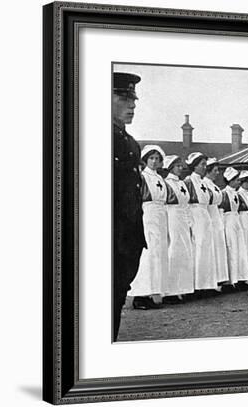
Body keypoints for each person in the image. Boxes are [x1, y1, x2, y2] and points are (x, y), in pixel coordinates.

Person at [112, 72, 146, 341]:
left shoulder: (131, 143)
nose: (132, 105)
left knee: (117, 294)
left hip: (128, 235)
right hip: (109, 235)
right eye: (123, 98)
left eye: (132, 99)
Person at [128, 145, 168, 310]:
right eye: (151, 158)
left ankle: (153, 292)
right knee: (147, 254)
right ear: (145, 160)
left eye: (157, 159)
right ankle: (140, 295)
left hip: (159, 215)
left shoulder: (159, 178)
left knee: (158, 254)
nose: (154, 161)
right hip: (147, 214)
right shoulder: (142, 177)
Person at [162, 155, 194, 303]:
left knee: (185, 251)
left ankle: (183, 288)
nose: (181, 168)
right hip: (172, 216)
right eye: (177, 166)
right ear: (170, 167)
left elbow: (186, 204)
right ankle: (170, 291)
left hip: (182, 218)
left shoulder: (181, 183)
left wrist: (189, 221)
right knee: (174, 250)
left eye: (181, 166)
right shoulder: (166, 183)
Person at [184, 152, 218, 291]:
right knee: (197, 249)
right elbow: (185, 203)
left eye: (205, 164)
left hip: (204, 216)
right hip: (195, 216)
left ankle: (205, 285)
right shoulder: (188, 181)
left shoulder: (203, 182)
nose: (205, 167)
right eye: (202, 164)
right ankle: (196, 286)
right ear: (194, 166)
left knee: (206, 249)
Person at [220, 167, 248, 286]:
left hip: (237, 220)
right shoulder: (224, 193)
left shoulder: (236, 194)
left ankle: (240, 278)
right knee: (232, 248)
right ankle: (231, 280)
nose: (239, 182)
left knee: (240, 249)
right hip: (228, 221)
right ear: (230, 180)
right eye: (237, 180)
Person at [202, 158, 229, 288]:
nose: (217, 173)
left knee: (219, 247)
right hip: (209, 216)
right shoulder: (204, 184)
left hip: (217, 215)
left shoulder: (214, 185)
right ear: (208, 171)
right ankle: (210, 282)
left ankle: (219, 279)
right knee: (212, 248)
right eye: (215, 170)